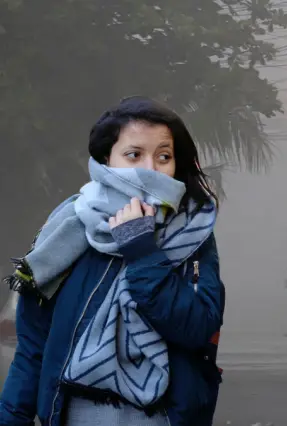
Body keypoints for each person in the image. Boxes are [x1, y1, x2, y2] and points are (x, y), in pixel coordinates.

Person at [0, 96, 225, 425]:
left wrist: (141, 248)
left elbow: (197, 328)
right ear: (106, 159)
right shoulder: (67, 226)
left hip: (162, 416)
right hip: (73, 411)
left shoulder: (194, 233)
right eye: (134, 155)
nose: (150, 169)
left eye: (164, 156)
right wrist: (11, 418)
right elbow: (34, 343)